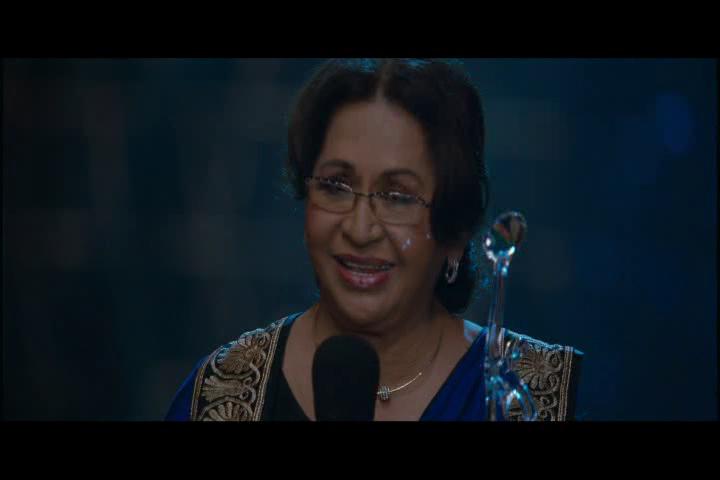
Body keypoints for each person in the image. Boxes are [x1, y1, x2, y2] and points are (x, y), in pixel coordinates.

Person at [165, 58, 583, 422]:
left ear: (455, 231)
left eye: (397, 197)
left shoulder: (531, 398)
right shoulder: (223, 395)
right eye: (335, 186)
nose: (359, 229)